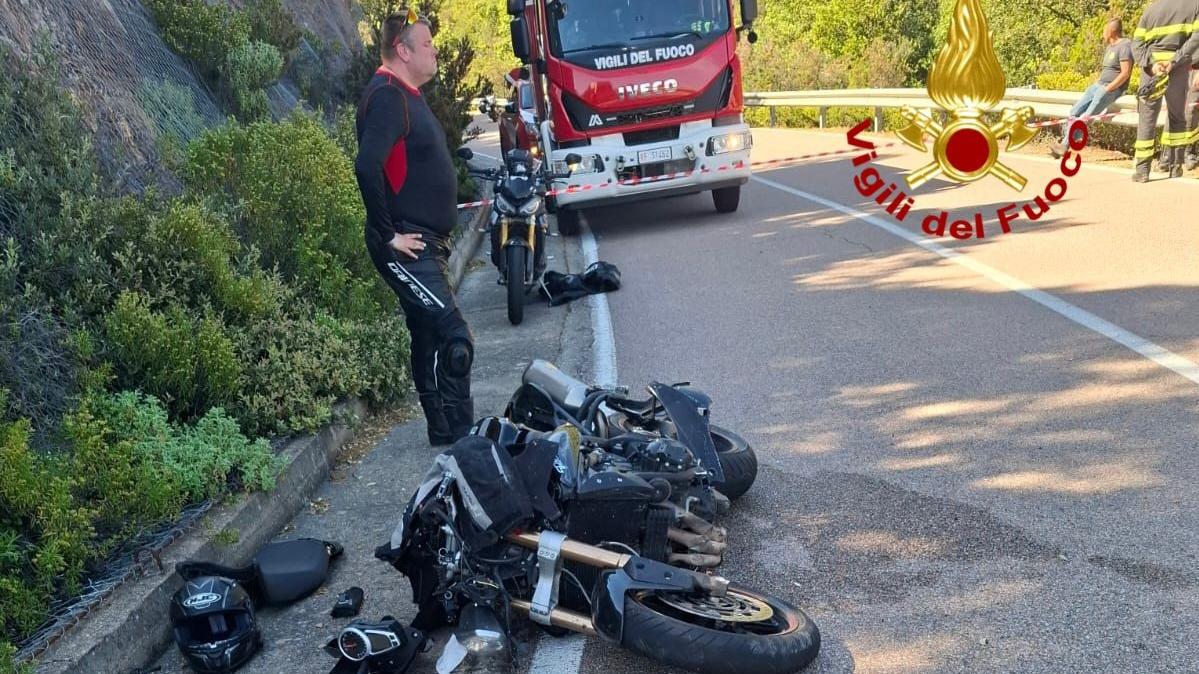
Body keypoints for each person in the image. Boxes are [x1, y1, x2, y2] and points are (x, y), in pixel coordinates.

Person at [354, 9, 475, 445]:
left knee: (426, 334)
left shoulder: (404, 93)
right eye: (426, 44)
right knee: (457, 340)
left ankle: (442, 432)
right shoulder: (388, 96)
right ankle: (466, 441)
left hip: (425, 244)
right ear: (402, 51)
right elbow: (367, 167)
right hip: (407, 245)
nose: (435, 50)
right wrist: (388, 236)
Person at [1131, 0, 1199, 182]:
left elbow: (1137, 43)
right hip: (1177, 71)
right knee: (1177, 117)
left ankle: (1142, 170)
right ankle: (1175, 167)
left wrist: (1152, 64)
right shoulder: (1194, 5)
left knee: (1147, 118)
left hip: (1151, 72)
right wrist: (1175, 60)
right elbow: (1196, 38)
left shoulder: (1151, 8)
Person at [1051, 19, 1132, 158]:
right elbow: (1108, 69)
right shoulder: (1109, 47)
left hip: (1110, 89)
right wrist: (1098, 83)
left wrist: (1109, 88)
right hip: (1098, 85)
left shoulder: (1125, 45)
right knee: (1074, 111)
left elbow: (1125, 73)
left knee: (1086, 117)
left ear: (1112, 31)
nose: (1103, 33)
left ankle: (1065, 145)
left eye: (1105, 30)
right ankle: (1073, 139)